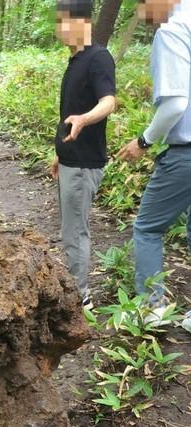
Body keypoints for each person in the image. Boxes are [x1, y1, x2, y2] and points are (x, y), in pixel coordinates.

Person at [117, 0, 190, 324]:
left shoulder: (173, 30)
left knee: (148, 228)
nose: (142, 10)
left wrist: (143, 141)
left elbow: (175, 104)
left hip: (185, 154)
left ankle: (151, 309)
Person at [51, 0, 117, 309]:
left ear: (81, 23)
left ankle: (80, 298)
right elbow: (70, 112)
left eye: (63, 22)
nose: (58, 30)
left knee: (75, 232)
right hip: (70, 160)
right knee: (69, 229)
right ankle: (75, 289)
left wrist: (85, 119)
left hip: (83, 163)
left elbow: (108, 102)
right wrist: (60, 152)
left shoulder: (98, 58)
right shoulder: (75, 60)